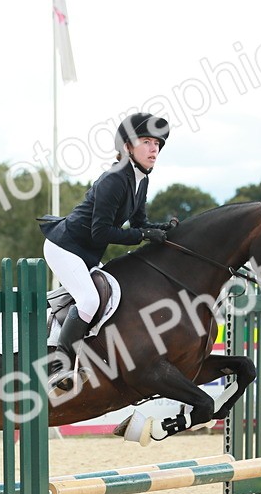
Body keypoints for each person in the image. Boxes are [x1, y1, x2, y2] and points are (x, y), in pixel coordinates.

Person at [39, 112, 177, 387]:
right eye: (146, 142)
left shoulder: (141, 179)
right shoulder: (114, 179)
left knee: (114, 298)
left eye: (157, 144)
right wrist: (143, 235)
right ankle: (58, 366)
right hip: (65, 247)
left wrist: (162, 229)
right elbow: (100, 232)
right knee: (89, 301)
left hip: (87, 253)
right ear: (127, 147)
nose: (154, 149)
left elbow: (139, 223)